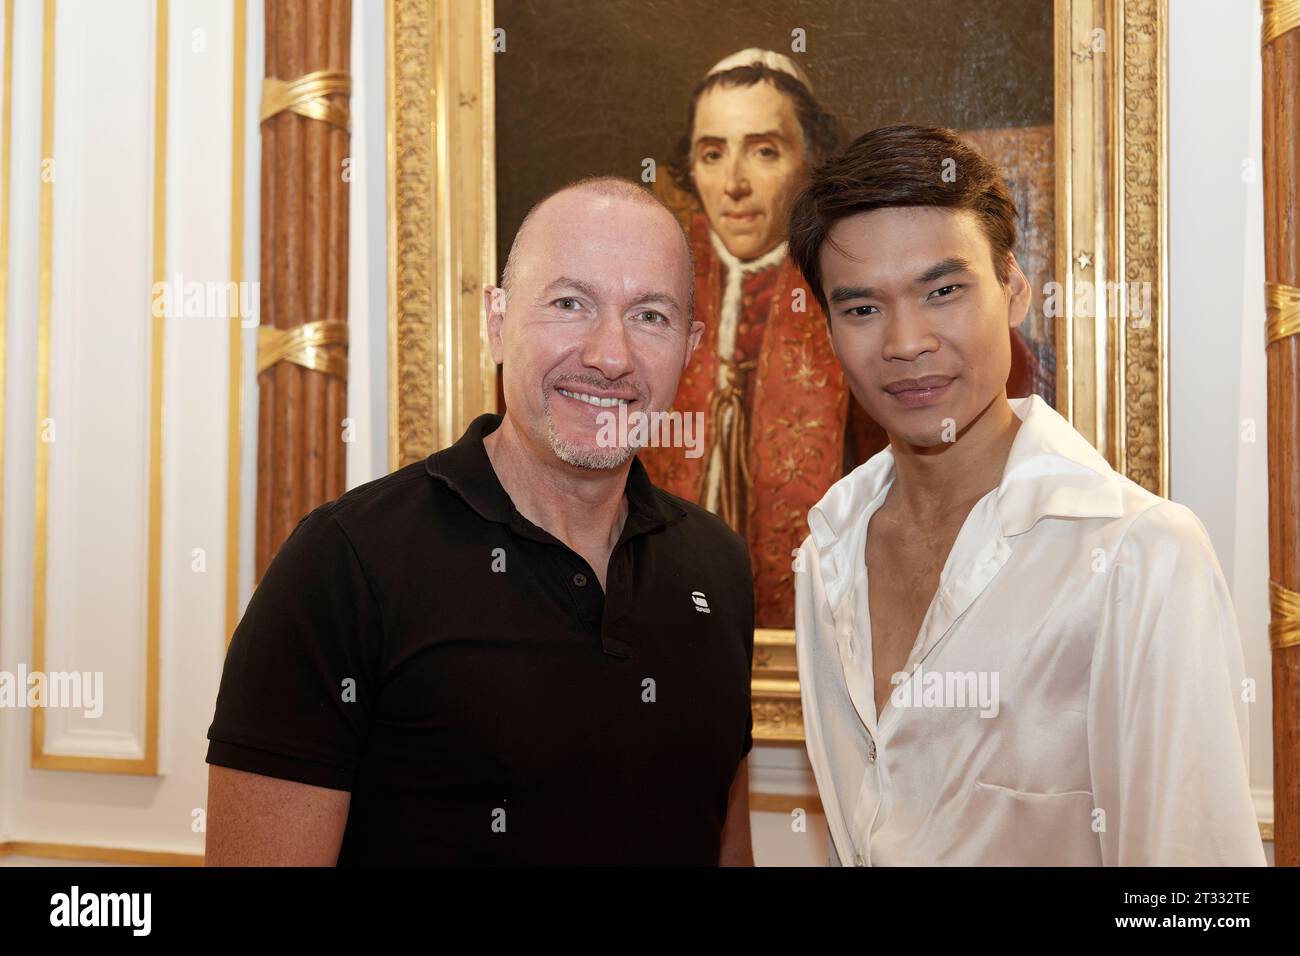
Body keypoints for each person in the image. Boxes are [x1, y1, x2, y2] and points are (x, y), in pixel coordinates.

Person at [204, 177, 755, 866]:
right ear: (496, 321)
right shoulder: (345, 564)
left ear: (691, 346)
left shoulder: (720, 567)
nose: (610, 356)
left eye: (650, 316)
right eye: (569, 302)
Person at [788, 124, 1265, 865]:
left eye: (943, 290)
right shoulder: (828, 556)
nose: (905, 341)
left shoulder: (1140, 555)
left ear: (1013, 290)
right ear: (829, 329)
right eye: (862, 309)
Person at [644, 49, 1042, 629]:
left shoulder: (1137, 553)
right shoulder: (835, 544)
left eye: (763, 151)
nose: (733, 184)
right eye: (711, 153)